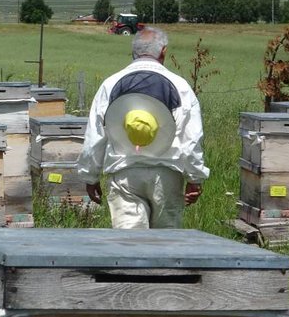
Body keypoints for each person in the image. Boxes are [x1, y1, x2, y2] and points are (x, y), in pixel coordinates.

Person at [76, 27, 209, 228]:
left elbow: (95, 136)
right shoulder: (180, 86)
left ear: (134, 51)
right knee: (165, 241)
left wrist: (90, 176)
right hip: (166, 175)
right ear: (163, 51)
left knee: (130, 242)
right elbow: (191, 139)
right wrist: (195, 177)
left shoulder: (110, 84)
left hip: (124, 173)